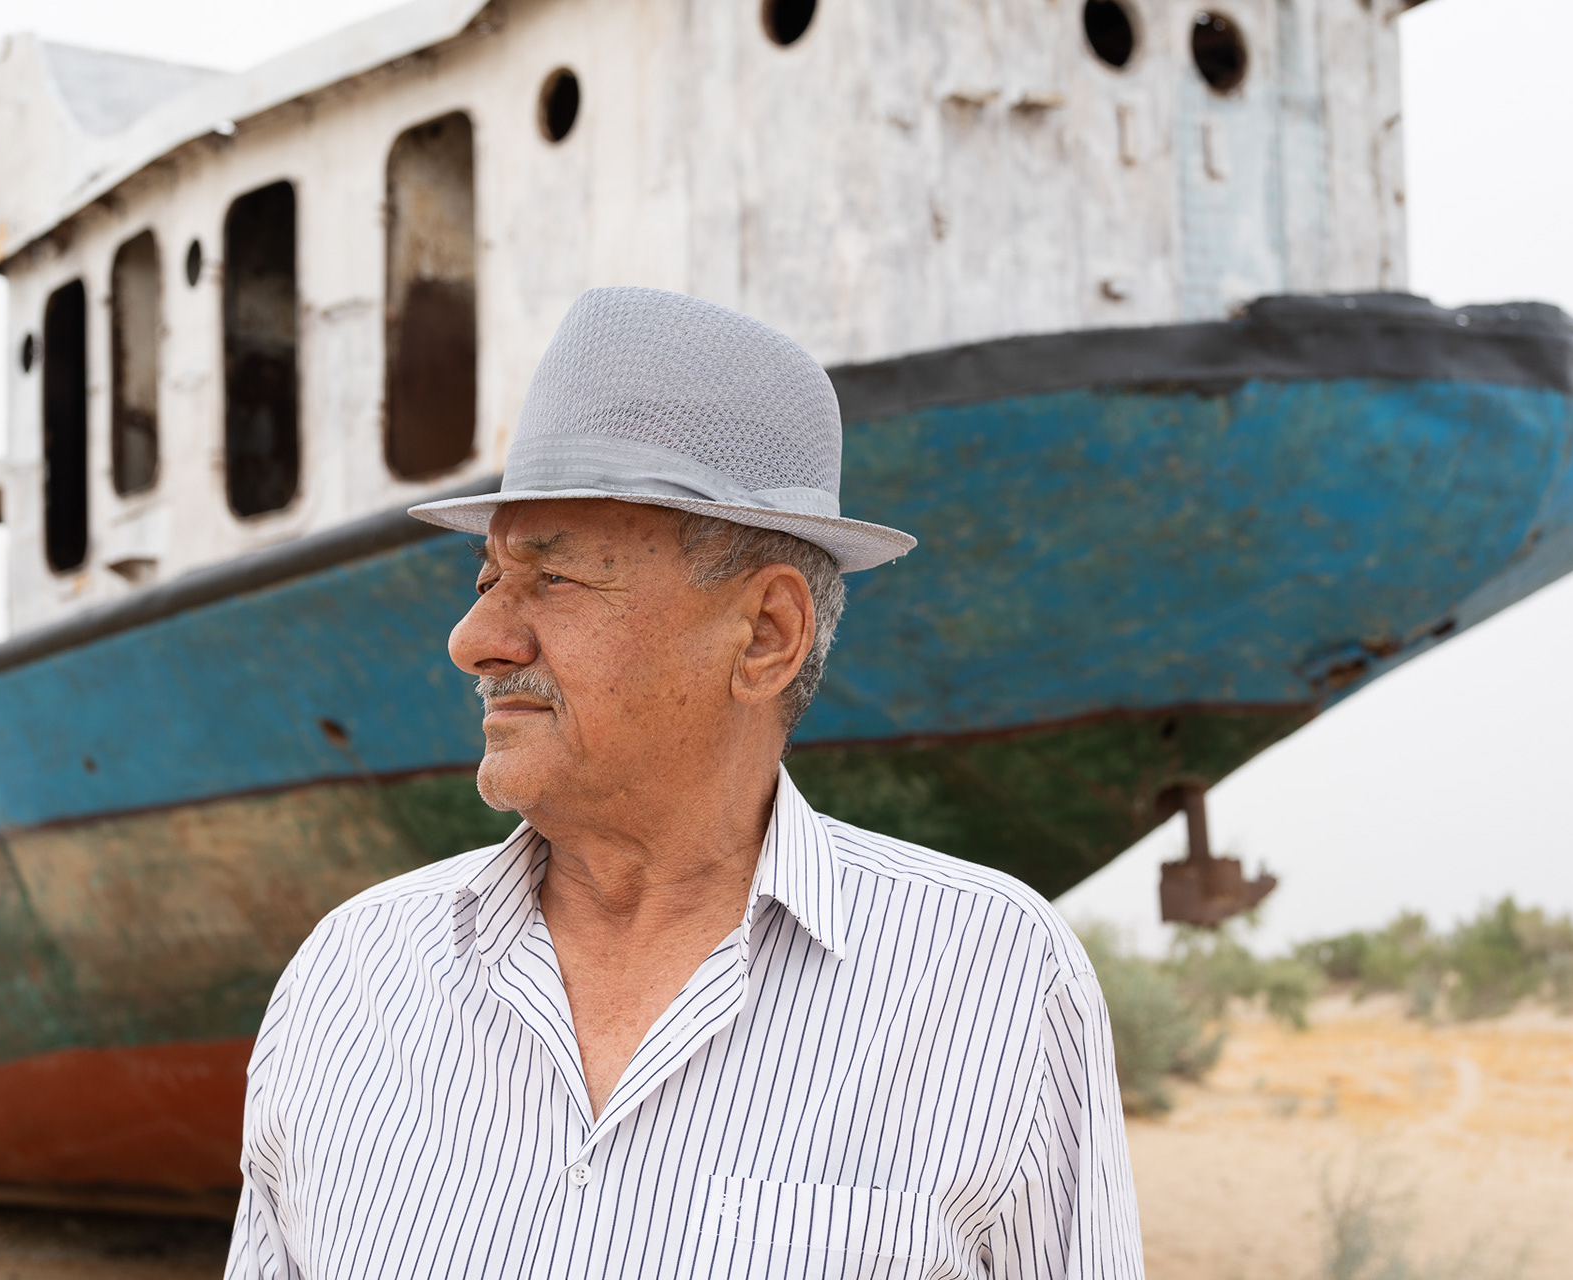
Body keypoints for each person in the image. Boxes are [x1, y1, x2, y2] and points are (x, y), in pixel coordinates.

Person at [225, 287, 1143, 1278]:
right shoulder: (349, 975)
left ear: (766, 635)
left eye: (557, 578)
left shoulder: (993, 979)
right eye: (488, 579)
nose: (475, 641)